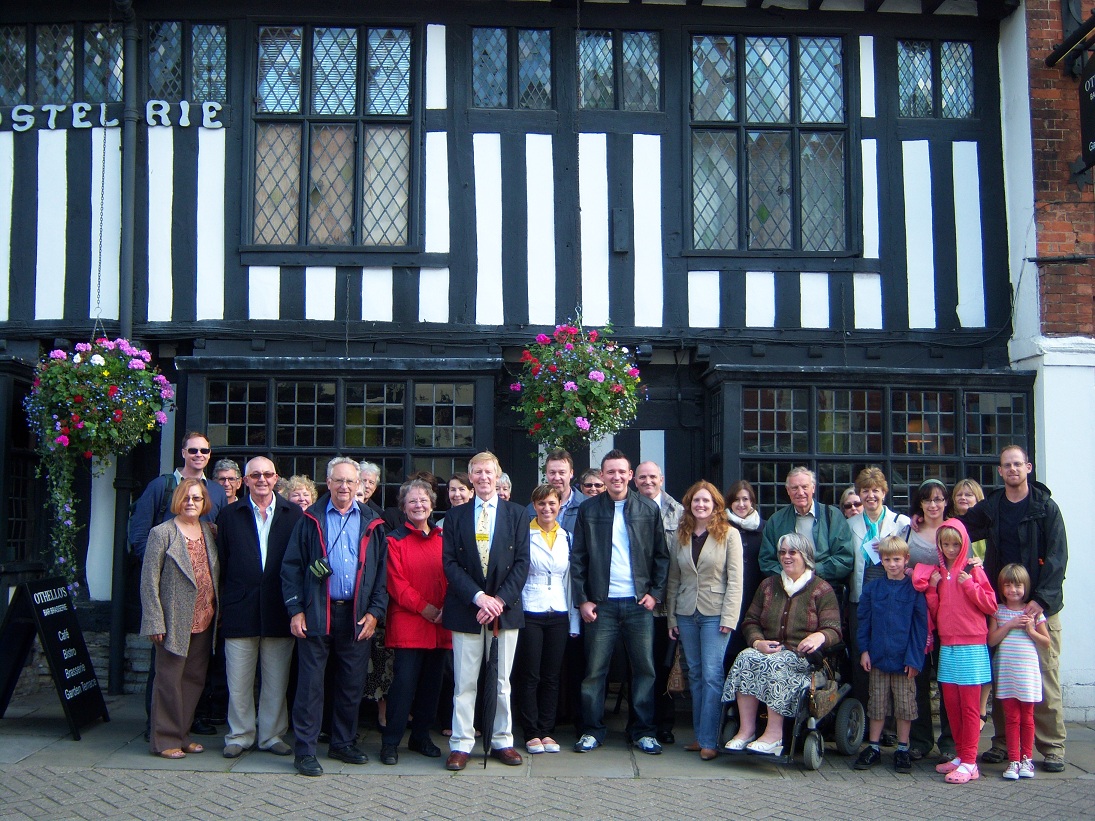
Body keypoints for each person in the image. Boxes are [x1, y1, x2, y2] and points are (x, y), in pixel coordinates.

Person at [963, 445, 1068, 773]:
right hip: (1002, 607)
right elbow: (962, 529)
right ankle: (1004, 744)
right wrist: (931, 525)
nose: (1012, 470)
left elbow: (1057, 557)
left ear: (1029, 467)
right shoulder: (993, 506)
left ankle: (1052, 747)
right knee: (1004, 675)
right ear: (1000, 471)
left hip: (1039, 608)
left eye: (1017, 464)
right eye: (1006, 465)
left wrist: (1041, 601)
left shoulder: (1045, 508)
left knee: (1044, 675)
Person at [281, 456, 387, 777]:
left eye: (350, 482)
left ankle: (342, 742)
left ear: (359, 486)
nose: (344, 487)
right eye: (338, 481)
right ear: (327, 483)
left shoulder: (372, 520)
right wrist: (295, 609)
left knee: (351, 684)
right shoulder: (310, 519)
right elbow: (292, 567)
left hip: (356, 615)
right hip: (317, 612)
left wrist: (375, 613)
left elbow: (382, 573)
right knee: (311, 685)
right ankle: (306, 750)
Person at [129, 431, 229, 739]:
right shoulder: (161, 486)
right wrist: (167, 566)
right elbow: (140, 535)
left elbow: (219, 540)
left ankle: (187, 724)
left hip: (203, 606)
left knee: (195, 670)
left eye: (204, 450)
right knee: (166, 671)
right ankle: (156, 728)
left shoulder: (216, 491)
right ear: (183, 452)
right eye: (193, 450)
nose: (199, 455)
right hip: (172, 597)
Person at [570, 449, 670, 755]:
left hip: (638, 603)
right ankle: (592, 730)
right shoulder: (589, 510)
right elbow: (578, 559)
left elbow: (661, 557)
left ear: (630, 476)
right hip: (602, 605)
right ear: (602, 476)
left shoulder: (647, 509)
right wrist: (583, 600)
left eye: (621, 472)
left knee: (644, 670)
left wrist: (655, 593)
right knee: (594, 672)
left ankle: (642, 731)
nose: (615, 477)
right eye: (609, 472)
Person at [441, 452, 530, 771]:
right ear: (470, 476)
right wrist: (479, 598)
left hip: (504, 612)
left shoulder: (517, 514)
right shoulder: (455, 517)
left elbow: (522, 563)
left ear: (498, 475)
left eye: (488, 472)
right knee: (465, 682)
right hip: (468, 609)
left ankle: (501, 741)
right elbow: (449, 563)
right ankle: (462, 743)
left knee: (502, 681)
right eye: (476, 472)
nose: (482, 477)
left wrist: (498, 601)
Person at [722, 533, 841, 756]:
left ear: (805, 556)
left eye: (792, 552)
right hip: (769, 651)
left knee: (778, 664)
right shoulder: (768, 585)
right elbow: (750, 621)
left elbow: (834, 628)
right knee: (746, 658)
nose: (786, 557)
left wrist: (819, 637)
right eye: (783, 552)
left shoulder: (821, 589)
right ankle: (746, 730)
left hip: (804, 660)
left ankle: (774, 735)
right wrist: (758, 642)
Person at [216, 457, 303, 759]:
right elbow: (223, 563)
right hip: (240, 607)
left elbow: (299, 563)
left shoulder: (294, 515)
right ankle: (239, 735)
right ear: (245, 480)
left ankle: (271, 735)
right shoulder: (229, 515)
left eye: (267, 474)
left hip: (279, 608)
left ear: (276, 478)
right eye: (255, 475)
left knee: (276, 680)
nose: (262, 480)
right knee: (238, 680)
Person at [140, 479, 220, 759]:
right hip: (173, 620)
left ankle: (183, 734)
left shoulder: (210, 531)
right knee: (169, 681)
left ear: (204, 503)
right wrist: (154, 621)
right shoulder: (161, 533)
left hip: (204, 618)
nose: (191, 503)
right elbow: (148, 581)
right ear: (177, 500)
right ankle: (164, 740)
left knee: (193, 680)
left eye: (197, 499)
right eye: (186, 498)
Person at [913, 520, 996, 784]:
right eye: (945, 544)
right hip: (947, 645)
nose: (950, 549)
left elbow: (991, 604)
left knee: (970, 708)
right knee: (952, 705)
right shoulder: (939, 572)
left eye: (955, 544)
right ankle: (961, 756)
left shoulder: (973, 569)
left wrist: (970, 585)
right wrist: (932, 590)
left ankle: (971, 762)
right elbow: (936, 614)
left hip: (972, 645)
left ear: (963, 544)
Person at [666, 481, 743, 760]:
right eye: (696, 501)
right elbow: (674, 578)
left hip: (715, 613)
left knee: (712, 675)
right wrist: (671, 617)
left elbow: (735, 580)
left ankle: (711, 740)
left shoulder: (729, 535)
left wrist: (730, 617)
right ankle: (700, 737)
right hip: (687, 612)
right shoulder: (682, 534)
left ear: (715, 506)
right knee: (695, 675)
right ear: (689, 504)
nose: (701, 505)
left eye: (706, 501)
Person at [380, 479, 450, 765]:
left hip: (441, 624)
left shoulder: (444, 539)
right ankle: (390, 742)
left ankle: (420, 736)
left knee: (432, 687)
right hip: (410, 624)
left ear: (432, 504)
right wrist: (426, 608)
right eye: (412, 501)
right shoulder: (393, 540)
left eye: (423, 500)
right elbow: (395, 583)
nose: (419, 505)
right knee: (403, 687)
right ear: (404, 507)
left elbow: (452, 575)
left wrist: (446, 607)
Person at [513, 484, 580, 755]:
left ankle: (547, 730)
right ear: (534, 505)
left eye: (552, 503)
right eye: (542, 504)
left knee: (552, 676)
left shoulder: (567, 537)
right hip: (531, 609)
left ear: (559, 505)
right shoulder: (524, 534)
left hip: (559, 611)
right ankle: (530, 732)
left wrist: (573, 620)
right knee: (530, 674)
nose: (547, 508)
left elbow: (570, 581)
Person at [853, 535, 927, 774]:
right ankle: (873, 746)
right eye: (887, 559)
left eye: (896, 559)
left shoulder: (915, 590)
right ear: (881, 561)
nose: (892, 564)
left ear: (906, 559)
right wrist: (864, 650)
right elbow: (863, 621)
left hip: (904, 660)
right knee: (877, 703)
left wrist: (915, 659)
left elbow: (920, 628)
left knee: (905, 706)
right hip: (878, 658)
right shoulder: (873, 588)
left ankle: (902, 748)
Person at [847, 467, 911, 713]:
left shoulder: (901, 523)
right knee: (861, 656)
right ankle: (865, 716)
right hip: (861, 599)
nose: (870, 495)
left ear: (884, 492)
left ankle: (892, 722)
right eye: (865, 490)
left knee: (892, 656)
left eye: (875, 490)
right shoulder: (849, 523)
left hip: (892, 600)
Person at [905, 478, 955, 762]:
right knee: (918, 678)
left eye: (938, 499)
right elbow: (898, 561)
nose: (933, 504)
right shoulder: (909, 530)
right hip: (918, 616)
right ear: (920, 504)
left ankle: (949, 741)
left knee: (948, 678)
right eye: (927, 500)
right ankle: (920, 739)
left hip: (949, 615)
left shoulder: (956, 530)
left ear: (945, 502)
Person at [634, 460, 684, 745]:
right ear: (635, 480)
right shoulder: (627, 508)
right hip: (638, 603)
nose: (648, 481)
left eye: (653, 477)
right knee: (640, 666)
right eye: (643, 477)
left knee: (664, 667)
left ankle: (664, 724)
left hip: (666, 604)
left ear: (661, 479)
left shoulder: (678, 512)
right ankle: (641, 724)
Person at [989, 563, 1051, 781]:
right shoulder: (998, 611)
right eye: (1008, 585)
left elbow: (1046, 643)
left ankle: (1027, 759)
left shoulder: (1033, 612)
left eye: (1018, 585)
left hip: (1028, 673)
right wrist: (1010, 624)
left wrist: (1030, 629)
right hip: (1006, 672)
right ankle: (1013, 760)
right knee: (1011, 717)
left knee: (1027, 717)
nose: (1013, 590)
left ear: (1026, 587)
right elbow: (992, 639)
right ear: (1001, 587)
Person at [758, 467, 853, 584]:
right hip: (787, 590)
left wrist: (812, 572)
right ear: (788, 490)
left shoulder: (832, 516)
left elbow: (845, 559)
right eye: (794, 488)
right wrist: (791, 574)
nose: (800, 492)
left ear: (813, 488)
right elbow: (766, 561)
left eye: (804, 487)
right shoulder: (776, 521)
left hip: (825, 588)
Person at [724, 479, 766, 663]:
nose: (741, 504)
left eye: (745, 499)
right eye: (736, 500)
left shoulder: (763, 527)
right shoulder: (721, 527)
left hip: (755, 593)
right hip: (728, 595)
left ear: (752, 502)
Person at [525, 448, 588, 534]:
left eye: (562, 472)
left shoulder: (586, 506)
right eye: (552, 472)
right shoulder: (531, 510)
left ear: (571, 473)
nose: (557, 478)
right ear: (546, 473)